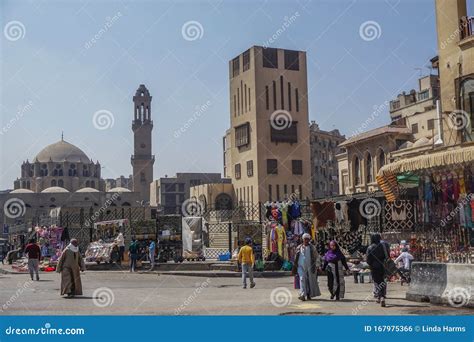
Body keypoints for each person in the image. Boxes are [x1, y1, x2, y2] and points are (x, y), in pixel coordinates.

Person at [292, 233, 321, 301]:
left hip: (310, 267)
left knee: (309, 281)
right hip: (301, 267)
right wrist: (295, 266)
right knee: (302, 279)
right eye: (305, 239)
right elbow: (295, 257)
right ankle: (302, 294)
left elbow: (317, 257)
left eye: (307, 239)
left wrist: (317, 265)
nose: (306, 240)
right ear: (303, 239)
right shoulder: (299, 247)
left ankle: (308, 294)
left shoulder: (312, 248)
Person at [366, 233, 389, 307]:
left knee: (377, 282)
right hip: (383, 266)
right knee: (382, 281)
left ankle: (381, 297)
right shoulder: (383, 246)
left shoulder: (370, 247)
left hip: (374, 267)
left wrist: (371, 264)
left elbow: (368, 259)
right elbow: (387, 256)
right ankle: (381, 297)